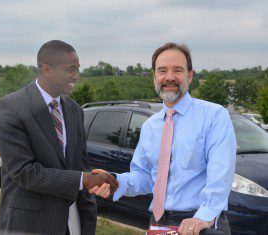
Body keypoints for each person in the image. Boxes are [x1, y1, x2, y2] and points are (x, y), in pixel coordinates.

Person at [91, 42, 236, 235]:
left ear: (190, 75)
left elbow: (220, 174)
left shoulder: (214, 116)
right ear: (154, 76)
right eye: (162, 70)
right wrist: (115, 181)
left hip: (200, 224)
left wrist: (204, 216)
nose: (169, 77)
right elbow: (144, 176)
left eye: (177, 70)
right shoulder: (150, 126)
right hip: (158, 222)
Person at [0, 40, 118, 235]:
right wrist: (83, 180)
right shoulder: (11, 107)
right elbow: (24, 172)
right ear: (46, 69)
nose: (76, 76)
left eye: (78, 69)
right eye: (70, 69)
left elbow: (81, 165)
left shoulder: (74, 110)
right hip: (29, 225)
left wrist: (93, 188)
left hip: (74, 223)